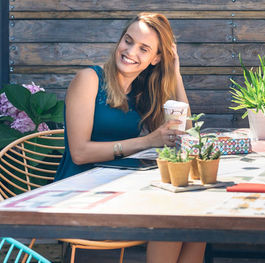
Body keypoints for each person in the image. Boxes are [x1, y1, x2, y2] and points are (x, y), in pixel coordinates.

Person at [54, 12, 205, 263]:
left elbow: (184, 134)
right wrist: (147, 141)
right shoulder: (89, 79)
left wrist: (176, 74)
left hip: (123, 185)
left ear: (156, 59)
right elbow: (79, 153)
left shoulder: (142, 90)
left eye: (144, 49)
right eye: (128, 40)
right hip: (83, 191)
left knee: (197, 218)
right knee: (172, 214)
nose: (131, 51)